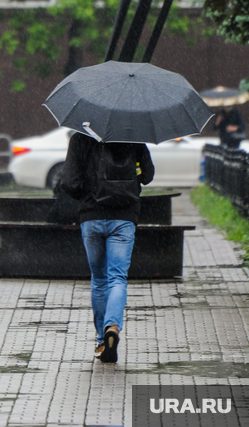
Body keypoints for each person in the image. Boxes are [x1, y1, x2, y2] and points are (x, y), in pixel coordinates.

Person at [60, 132, 154, 363]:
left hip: (91, 217)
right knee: (117, 278)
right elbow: (148, 175)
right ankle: (112, 326)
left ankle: (102, 341)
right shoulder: (133, 135)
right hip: (124, 217)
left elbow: (69, 183)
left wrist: (89, 194)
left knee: (99, 279)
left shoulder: (80, 138)